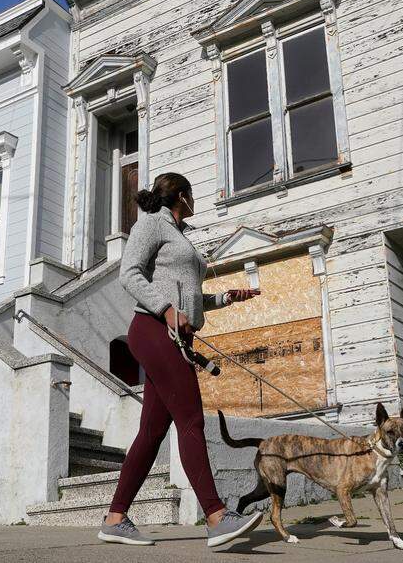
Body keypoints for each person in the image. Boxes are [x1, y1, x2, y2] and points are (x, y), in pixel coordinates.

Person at [98, 172, 264, 549]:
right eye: (193, 195)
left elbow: (187, 296)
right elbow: (130, 274)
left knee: (152, 432)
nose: (195, 201)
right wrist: (167, 309)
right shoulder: (152, 225)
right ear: (183, 196)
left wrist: (223, 299)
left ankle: (115, 517)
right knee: (190, 420)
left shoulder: (180, 234)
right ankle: (217, 516)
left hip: (173, 335)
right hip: (152, 329)